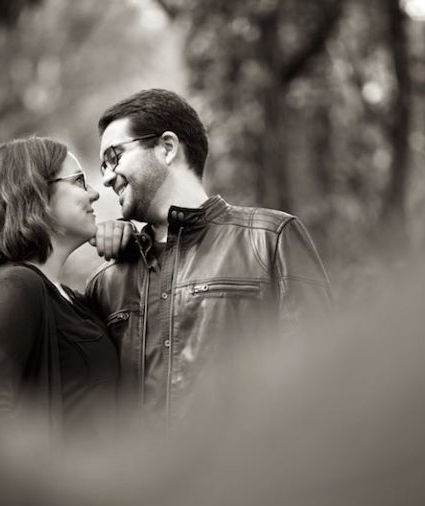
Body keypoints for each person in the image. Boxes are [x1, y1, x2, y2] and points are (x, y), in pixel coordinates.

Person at [87, 89, 333, 433]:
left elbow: (322, 375)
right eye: (103, 165)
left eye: (114, 157)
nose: (107, 177)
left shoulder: (271, 239)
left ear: (167, 148)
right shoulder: (107, 280)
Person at [0, 135, 129, 506]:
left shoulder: (70, 298)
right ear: (35, 195)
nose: (92, 193)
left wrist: (131, 249)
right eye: (78, 180)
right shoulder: (16, 286)